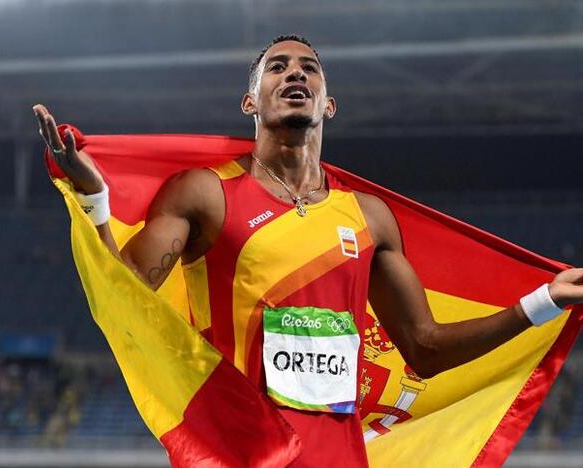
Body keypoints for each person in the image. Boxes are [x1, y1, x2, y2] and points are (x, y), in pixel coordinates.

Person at [33, 35, 583, 467]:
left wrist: (541, 302)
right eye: (277, 66)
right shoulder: (206, 193)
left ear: (329, 103)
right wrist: (96, 200)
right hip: (239, 457)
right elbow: (123, 294)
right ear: (250, 100)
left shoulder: (367, 217)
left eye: (308, 68)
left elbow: (426, 348)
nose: (294, 72)